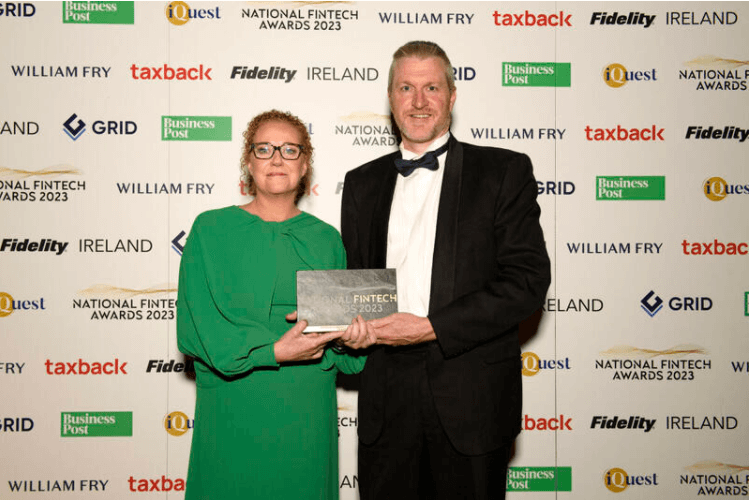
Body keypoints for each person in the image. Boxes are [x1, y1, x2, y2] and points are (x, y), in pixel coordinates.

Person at [340, 41, 551, 499]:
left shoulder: (503, 170)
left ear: (452, 96)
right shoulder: (361, 183)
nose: (418, 101)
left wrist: (431, 327)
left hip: (471, 396)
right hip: (386, 400)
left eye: (431, 87)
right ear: (390, 98)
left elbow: (526, 281)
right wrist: (343, 327)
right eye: (406, 88)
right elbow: (358, 283)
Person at [177, 109, 370, 500]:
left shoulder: (327, 239)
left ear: (305, 165)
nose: (277, 158)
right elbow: (196, 328)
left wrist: (352, 338)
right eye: (264, 149)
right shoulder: (210, 229)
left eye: (289, 149)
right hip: (234, 404)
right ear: (248, 163)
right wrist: (275, 351)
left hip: (306, 408)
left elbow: (338, 337)